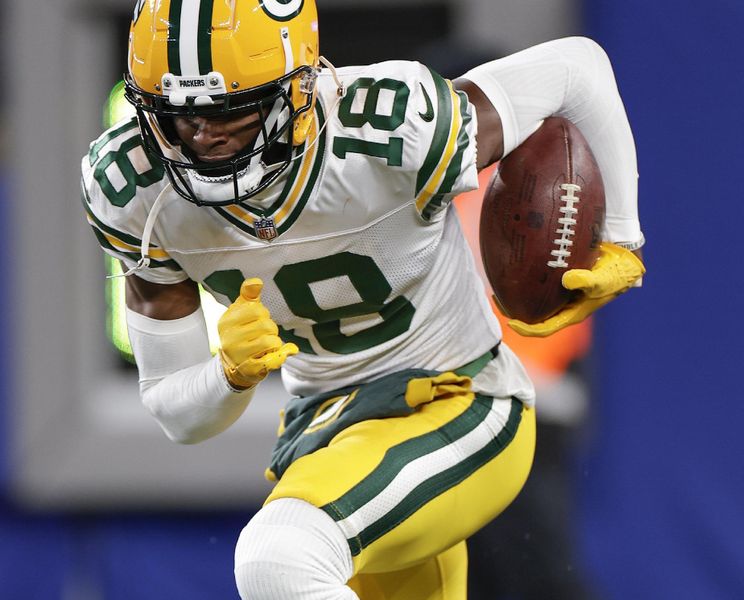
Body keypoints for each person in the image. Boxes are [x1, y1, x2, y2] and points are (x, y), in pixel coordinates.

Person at [80, 1, 645, 598]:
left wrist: (620, 237)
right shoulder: (132, 192)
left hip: (459, 399)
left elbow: (578, 69)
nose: (203, 135)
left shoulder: (393, 126)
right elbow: (178, 415)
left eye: (232, 108)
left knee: (282, 555)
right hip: (327, 433)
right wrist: (228, 376)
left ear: (297, 88)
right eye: (177, 115)